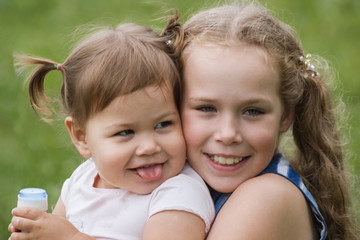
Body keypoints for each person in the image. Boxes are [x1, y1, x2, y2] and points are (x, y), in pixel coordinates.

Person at [166, 2, 358, 239]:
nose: (228, 134)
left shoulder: (266, 198)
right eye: (207, 108)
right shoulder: (181, 182)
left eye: (253, 111)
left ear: (286, 115)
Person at [9, 22, 214, 240]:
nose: (149, 147)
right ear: (82, 137)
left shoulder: (179, 194)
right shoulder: (82, 181)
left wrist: (69, 237)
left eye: (162, 125)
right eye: (125, 132)